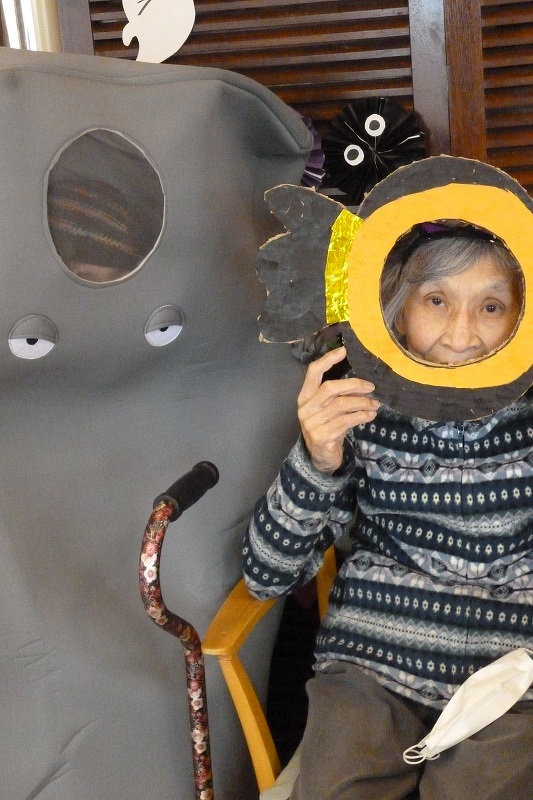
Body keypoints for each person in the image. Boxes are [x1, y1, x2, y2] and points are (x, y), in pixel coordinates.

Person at [243, 221, 533, 800]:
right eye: (436, 300)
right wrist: (317, 459)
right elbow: (265, 575)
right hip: (371, 667)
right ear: (397, 315)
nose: (461, 335)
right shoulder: (357, 409)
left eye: (491, 306)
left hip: (510, 676)